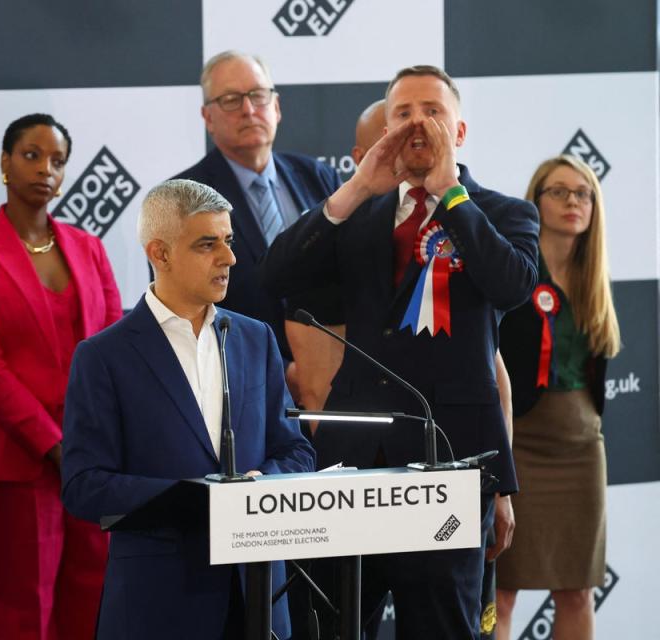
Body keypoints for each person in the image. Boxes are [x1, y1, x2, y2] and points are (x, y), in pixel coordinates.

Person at [260, 65, 540, 639]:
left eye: (432, 111)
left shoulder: (505, 213)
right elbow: (274, 275)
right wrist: (358, 187)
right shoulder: (357, 215)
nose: (416, 123)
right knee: (334, 623)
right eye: (402, 113)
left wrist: (450, 196)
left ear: (459, 132)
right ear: (384, 129)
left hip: (452, 461)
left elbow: (512, 287)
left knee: (442, 627)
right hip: (353, 456)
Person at [61, 178, 315, 640]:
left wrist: (262, 488)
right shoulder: (103, 356)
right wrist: (194, 498)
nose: (230, 258)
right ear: (159, 254)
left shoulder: (256, 339)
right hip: (159, 605)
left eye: (230, 241)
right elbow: (84, 485)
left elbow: (294, 451)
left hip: (258, 597)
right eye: (207, 244)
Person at [0, 113, 121, 640]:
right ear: (4, 163)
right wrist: (54, 445)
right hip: (16, 461)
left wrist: (89, 444)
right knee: (22, 614)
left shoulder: (89, 248)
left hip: (91, 460)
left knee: (92, 604)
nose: (46, 169)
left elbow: (113, 351)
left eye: (58, 160)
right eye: (31, 155)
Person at [495, 155, 620, 640]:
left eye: (584, 193)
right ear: (536, 201)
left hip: (582, 452)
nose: (573, 201)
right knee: (503, 590)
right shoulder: (516, 269)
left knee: (577, 591)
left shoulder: (595, 280)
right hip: (520, 446)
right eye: (560, 191)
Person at [173, 51, 344, 397]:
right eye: (231, 100)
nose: (249, 110)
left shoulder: (319, 178)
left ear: (276, 107)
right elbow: (184, 312)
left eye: (257, 96)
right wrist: (282, 372)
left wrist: (320, 369)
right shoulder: (183, 199)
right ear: (207, 117)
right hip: (239, 390)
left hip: (333, 387)